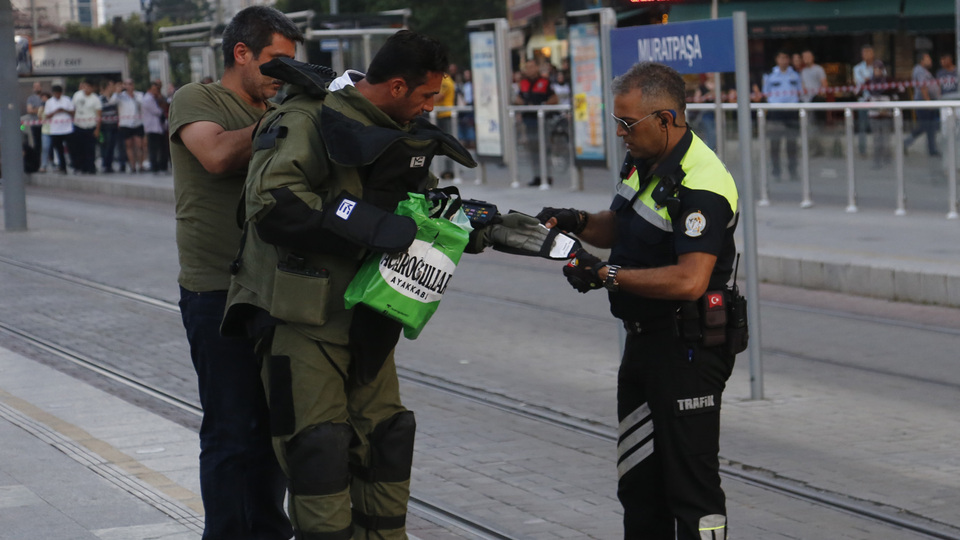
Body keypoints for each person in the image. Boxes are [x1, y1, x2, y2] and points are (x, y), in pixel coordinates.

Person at [220, 29, 540, 540]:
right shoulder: (305, 119)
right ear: (395, 86)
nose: (432, 106)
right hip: (303, 318)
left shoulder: (399, 133)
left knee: (388, 441)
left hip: (369, 313)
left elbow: (424, 209)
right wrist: (364, 222)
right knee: (318, 451)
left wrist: (485, 228)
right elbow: (272, 202)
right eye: (428, 95)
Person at [536, 61, 740, 540]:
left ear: (666, 120)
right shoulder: (644, 160)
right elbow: (623, 223)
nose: (621, 134)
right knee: (639, 486)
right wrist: (576, 220)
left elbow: (692, 280)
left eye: (628, 124)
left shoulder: (704, 183)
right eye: (617, 123)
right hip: (643, 345)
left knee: (692, 493)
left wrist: (606, 274)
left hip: (687, 350)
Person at [167, 6, 303, 540]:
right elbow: (218, 155)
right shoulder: (197, 98)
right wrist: (289, 117)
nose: (284, 75)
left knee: (272, 429)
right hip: (215, 290)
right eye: (276, 62)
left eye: (293, 65)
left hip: (275, 287)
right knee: (231, 430)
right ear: (240, 53)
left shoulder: (285, 105)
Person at [515, 59, 558, 186]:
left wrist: (542, 105)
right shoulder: (523, 83)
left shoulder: (545, 82)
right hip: (529, 121)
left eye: (532, 67)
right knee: (533, 150)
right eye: (527, 67)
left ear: (537, 68)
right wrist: (523, 104)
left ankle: (547, 176)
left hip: (542, 121)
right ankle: (537, 176)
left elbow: (554, 98)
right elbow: (518, 98)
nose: (529, 70)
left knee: (544, 149)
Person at [762, 51, 801, 181]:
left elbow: (800, 91)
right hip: (776, 112)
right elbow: (765, 93)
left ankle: (793, 171)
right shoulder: (770, 75)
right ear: (776, 59)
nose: (783, 60)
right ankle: (776, 172)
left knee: (792, 144)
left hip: (791, 111)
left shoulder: (795, 75)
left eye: (786, 57)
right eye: (781, 57)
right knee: (775, 144)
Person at [904, 51, 941, 157]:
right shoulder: (919, 71)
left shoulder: (925, 71)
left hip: (929, 103)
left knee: (931, 127)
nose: (930, 60)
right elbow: (923, 87)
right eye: (927, 58)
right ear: (921, 60)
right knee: (925, 126)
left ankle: (932, 149)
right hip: (924, 103)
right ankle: (906, 142)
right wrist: (928, 102)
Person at [72, 79, 102, 174]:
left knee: (90, 149)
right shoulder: (77, 95)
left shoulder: (95, 99)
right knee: (79, 148)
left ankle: (91, 167)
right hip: (79, 125)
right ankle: (80, 167)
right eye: (85, 86)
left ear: (92, 88)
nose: (86, 89)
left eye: (88, 87)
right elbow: (73, 109)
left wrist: (97, 129)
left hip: (90, 126)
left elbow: (99, 115)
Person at [800, 50, 828, 156]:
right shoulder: (803, 71)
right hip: (805, 103)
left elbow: (824, 85)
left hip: (815, 102)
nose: (806, 59)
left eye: (808, 56)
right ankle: (811, 148)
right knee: (808, 127)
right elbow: (803, 85)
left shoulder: (819, 69)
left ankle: (817, 148)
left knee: (816, 126)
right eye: (804, 57)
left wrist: (817, 96)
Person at [853, 44, 877, 156]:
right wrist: (870, 80)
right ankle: (862, 151)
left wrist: (869, 80)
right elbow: (861, 82)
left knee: (876, 127)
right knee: (862, 127)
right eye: (865, 52)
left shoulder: (878, 67)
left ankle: (878, 151)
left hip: (876, 101)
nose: (867, 54)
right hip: (863, 101)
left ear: (873, 53)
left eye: (869, 52)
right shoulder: (857, 68)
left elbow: (881, 81)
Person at [45, 84, 74, 174]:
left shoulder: (66, 100)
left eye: (59, 93)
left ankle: (74, 165)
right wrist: (55, 112)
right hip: (55, 130)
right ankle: (63, 167)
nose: (57, 95)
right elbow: (47, 115)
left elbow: (72, 112)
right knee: (59, 150)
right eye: (55, 94)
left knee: (71, 148)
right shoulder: (49, 102)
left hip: (67, 128)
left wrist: (64, 110)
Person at [117, 79, 145, 172]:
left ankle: (140, 165)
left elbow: (142, 104)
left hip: (137, 123)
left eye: (130, 84)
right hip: (126, 123)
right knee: (129, 146)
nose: (128, 86)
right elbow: (112, 101)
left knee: (139, 145)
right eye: (126, 84)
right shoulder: (120, 96)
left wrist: (132, 96)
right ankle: (133, 166)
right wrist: (118, 91)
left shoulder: (139, 95)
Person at [142, 81, 168, 174]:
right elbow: (157, 111)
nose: (156, 91)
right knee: (154, 149)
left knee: (161, 148)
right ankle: (155, 166)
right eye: (154, 89)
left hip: (158, 128)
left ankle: (161, 166)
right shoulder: (147, 99)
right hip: (152, 128)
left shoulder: (155, 98)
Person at [100, 79, 121, 173]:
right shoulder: (101, 99)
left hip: (113, 125)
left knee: (112, 146)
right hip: (105, 126)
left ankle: (109, 164)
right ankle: (105, 164)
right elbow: (107, 106)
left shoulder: (113, 98)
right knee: (106, 146)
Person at [24, 81, 44, 173]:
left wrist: (37, 109)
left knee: (46, 145)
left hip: (46, 125)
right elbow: (30, 110)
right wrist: (40, 109)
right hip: (35, 124)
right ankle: (37, 163)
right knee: (37, 144)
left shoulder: (44, 97)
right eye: (35, 87)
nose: (36, 88)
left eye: (38, 86)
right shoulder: (31, 98)